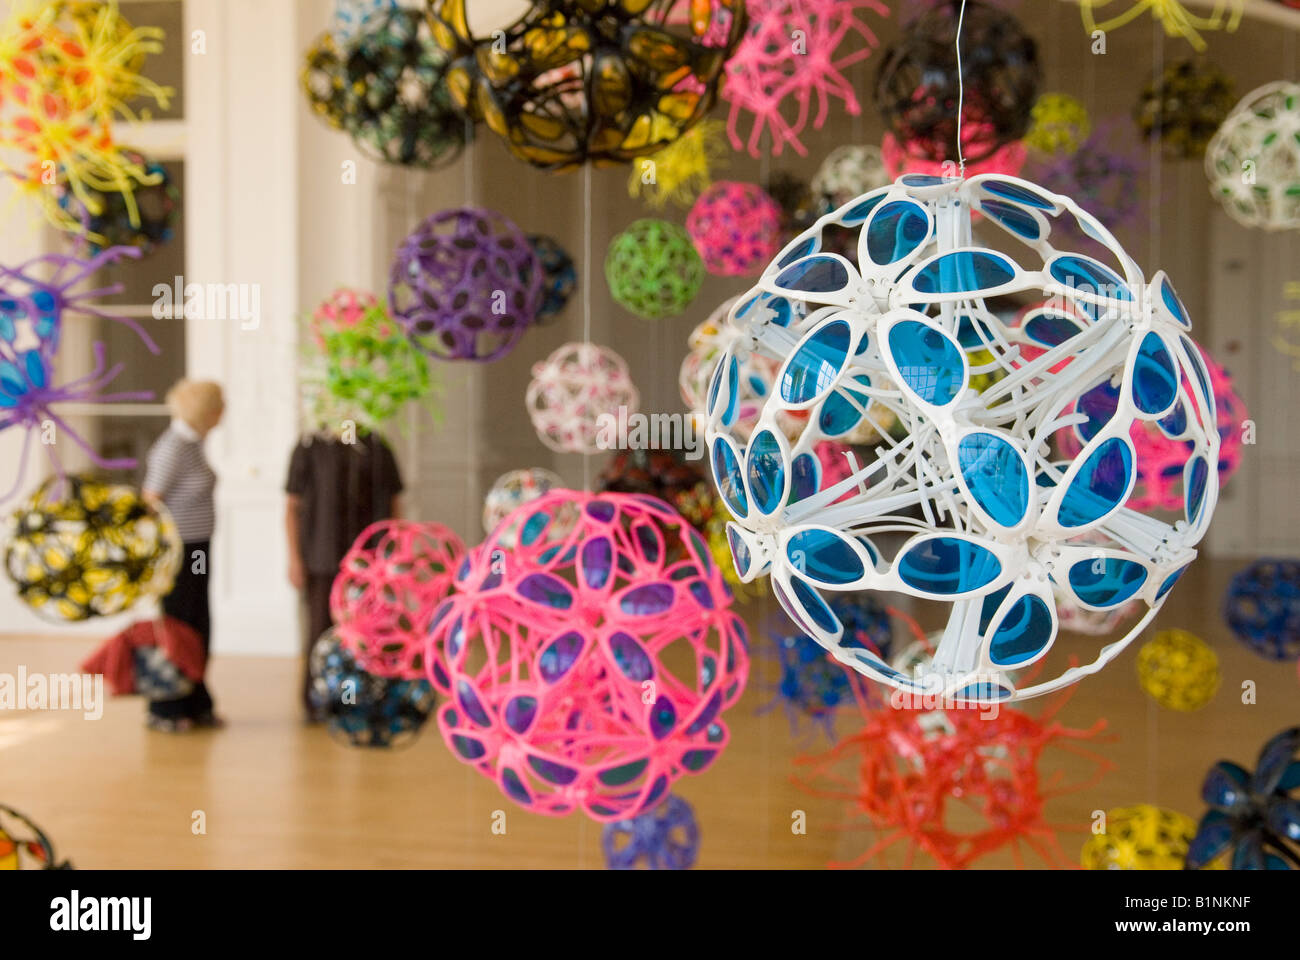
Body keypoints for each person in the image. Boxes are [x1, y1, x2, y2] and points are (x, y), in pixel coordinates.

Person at [284, 428, 403, 721]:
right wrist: (294, 558)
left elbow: (393, 504)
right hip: (321, 558)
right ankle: (319, 701)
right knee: (320, 631)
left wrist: (392, 555)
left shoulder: (377, 446)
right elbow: (291, 507)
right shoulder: (309, 447)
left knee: (367, 632)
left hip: (368, 562)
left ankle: (360, 699)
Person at [141, 379, 225, 733]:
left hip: (198, 549)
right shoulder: (173, 446)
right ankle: (167, 706)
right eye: (220, 405)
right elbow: (149, 499)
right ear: (206, 411)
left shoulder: (193, 444)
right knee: (178, 625)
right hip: (180, 551)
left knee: (197, 623)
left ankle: (195, 699)